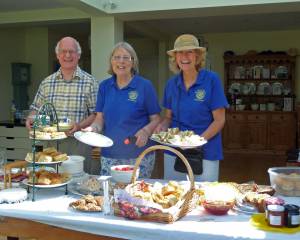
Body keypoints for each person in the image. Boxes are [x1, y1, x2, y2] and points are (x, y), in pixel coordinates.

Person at [155, 34, 229, 182]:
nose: (185, 56)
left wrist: (197, 141)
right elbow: (168, 117)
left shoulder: (211, 80)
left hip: (205, 151)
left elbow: (219, 120)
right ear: (175, 57)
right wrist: (161, 126)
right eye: (180, 52)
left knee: (204, 197)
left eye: (189, 51)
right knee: (174, 194)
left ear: (197, 56)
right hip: (174, 151)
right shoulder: (171, 84)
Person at [83, 42, 161, 178]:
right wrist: (92, 129)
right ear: (111, 61)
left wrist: (146, 131)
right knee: (112, 194)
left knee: (136, 195)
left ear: (133, 61)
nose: (121, 61)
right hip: (110, 155)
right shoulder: (104, 87)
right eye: (117, 57)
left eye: (126, 57)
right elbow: (99, 119)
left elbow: (156, 119)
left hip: (139, 155)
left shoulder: (145, 86)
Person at [25, 36, 99, 174]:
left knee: (78, 183)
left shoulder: (90, 82)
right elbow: (36, 109)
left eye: (72, 51)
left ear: (78, 55)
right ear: (57, 55)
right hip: (52, 144)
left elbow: (96, 114)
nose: (67, 55)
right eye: (63, 51)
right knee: (52, 181)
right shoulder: (46, 83)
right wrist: (30, 119)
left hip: (79, 142)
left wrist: (79, 126)